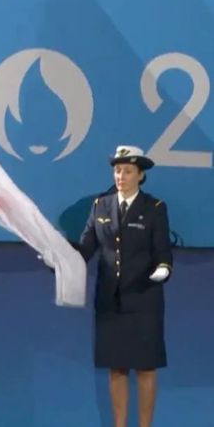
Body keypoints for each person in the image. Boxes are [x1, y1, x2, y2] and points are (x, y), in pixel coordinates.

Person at [77, 145, 172, 427]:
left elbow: (163, 253)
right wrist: (58, 256)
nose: (121, 175)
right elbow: (85, 248)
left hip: (144, 300)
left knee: (145, 368)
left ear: (140, 175)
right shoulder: (100, 206)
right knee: (116, 367)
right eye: (117, 170)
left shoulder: (154, 208)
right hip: (110, 301)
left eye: (128, 171)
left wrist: (163, 270)